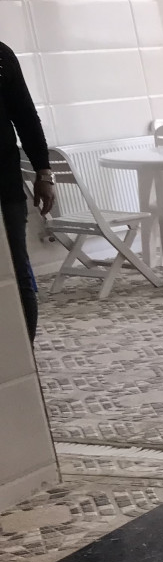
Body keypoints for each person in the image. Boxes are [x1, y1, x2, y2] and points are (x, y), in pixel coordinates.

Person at [1, 40, 54, 342]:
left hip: (4, 186)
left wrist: (44, 172)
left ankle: (24, 357)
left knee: (16, 271)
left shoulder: (1, 56)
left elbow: (26, 117)